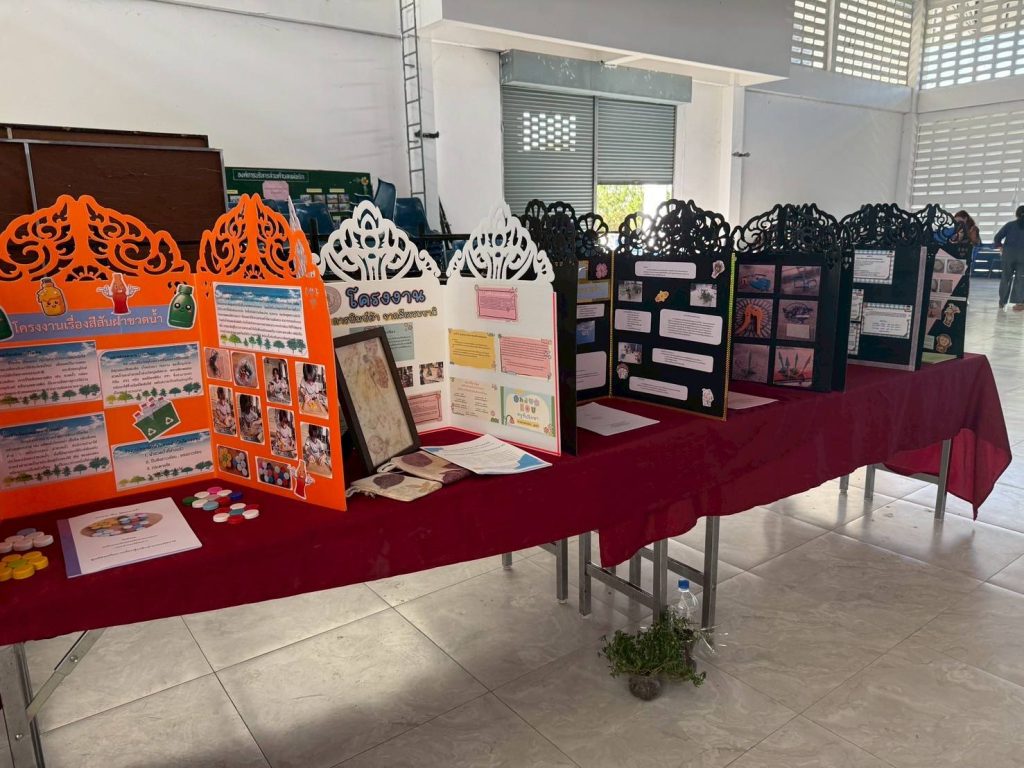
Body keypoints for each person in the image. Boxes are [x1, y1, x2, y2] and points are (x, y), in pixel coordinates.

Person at [994, 206, 1024, 311]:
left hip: (1008, 255)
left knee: (1005, 278)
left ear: (1017, 214)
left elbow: (997, 237)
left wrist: (1000, 247)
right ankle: (1019, 302)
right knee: (1021, 279)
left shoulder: (1010, 225)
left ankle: (1002, 302)